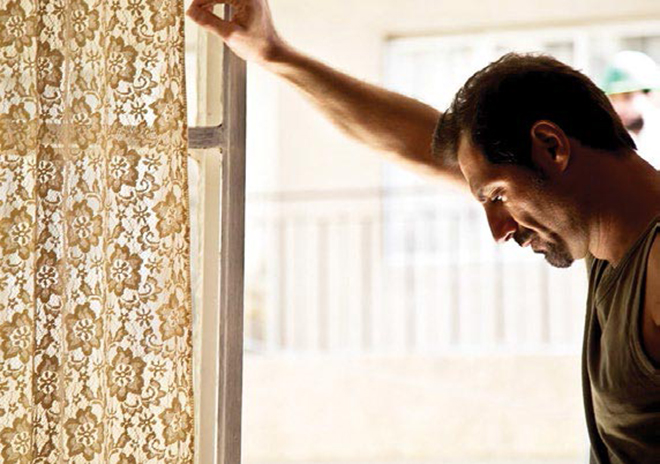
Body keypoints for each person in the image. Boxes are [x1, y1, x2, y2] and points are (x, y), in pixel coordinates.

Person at [187, 1, 660, 462]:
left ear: (551, 147)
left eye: (497, 196)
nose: (499, 231)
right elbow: (413, 143)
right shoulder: (604, 236)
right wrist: (274, 54)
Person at [601, 50, 660, 168]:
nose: (619, 107)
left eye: (627, 97)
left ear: (650, 95)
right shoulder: (607, 142)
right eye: (613, 98)